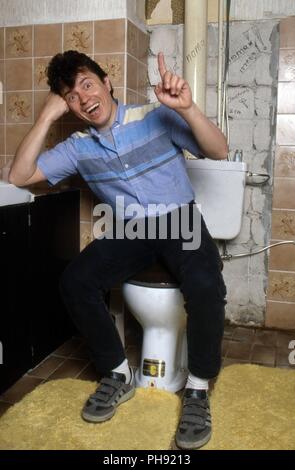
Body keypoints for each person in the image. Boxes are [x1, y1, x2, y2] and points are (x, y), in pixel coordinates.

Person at [9, 50, 228, 450]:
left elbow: (219, 151)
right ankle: (116, 372)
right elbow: (19, 175)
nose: (83, 98)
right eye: (71, 96)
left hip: (179, 220)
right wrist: (45, 116)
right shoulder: (77, 146)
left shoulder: (154, 115)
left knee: (204, 282)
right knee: (75, 281)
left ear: (107, 82)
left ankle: (197, 388)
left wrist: (189, 108)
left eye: (87, 84)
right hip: (129, 228)